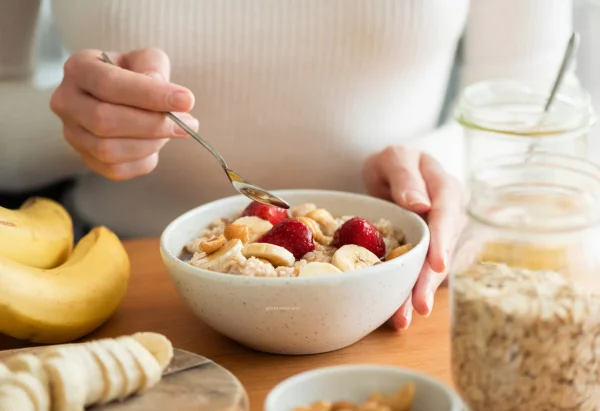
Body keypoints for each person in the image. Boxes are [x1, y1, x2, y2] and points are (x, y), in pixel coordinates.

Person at [0, 0, 574, 330]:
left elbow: (539, 97)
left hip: (392, 298)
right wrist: (76, 123)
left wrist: (441, 166)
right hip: (127, 294)